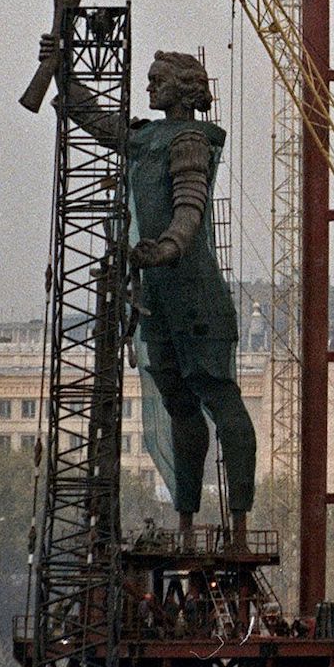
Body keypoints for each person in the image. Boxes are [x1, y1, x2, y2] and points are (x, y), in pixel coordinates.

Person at [40, 38, 256, 546]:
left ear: (182, 89)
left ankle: (239, 523)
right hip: (157, 298)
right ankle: (186, 522)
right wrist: (62, 67)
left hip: (195, 297)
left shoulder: (189, 141)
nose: (149, 88)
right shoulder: (147, 137)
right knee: (180, 407)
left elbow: (189, 206)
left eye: (157, 81)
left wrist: (166, 247)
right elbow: (97, 121)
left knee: (221, 402)